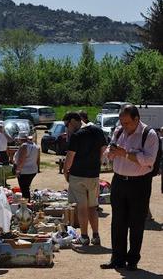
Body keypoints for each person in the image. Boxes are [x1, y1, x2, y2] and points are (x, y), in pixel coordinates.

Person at [101, 105, 159, 271]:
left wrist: (124, 153)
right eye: (122, 122)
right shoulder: (119, 131)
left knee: (136, 223)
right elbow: (109, 154)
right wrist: (110, 153)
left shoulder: (149, 135)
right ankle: (117, 259)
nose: (124, 126)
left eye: (127, 123)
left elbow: (149, 160)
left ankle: (132, 260)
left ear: (136, 119)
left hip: (139, 184)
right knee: (117, 222)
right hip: (119, 181)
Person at [62, 111, 107, 246]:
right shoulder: (98, 131)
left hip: (78, 175)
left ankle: (84, 236)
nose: (67, 128)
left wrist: (65, 172)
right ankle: (96, 236)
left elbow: (70, 158)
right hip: (93, 175)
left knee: (82, 207)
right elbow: (103, 150)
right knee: (93, 206)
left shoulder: (76, 135)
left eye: (67, 125)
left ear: (72, 121)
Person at [14, 132, 40, 202]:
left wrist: (18, 170)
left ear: (20, 139)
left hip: (24, 171)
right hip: (33, 170)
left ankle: (26, 206)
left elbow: (21, 160)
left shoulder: (24, 146)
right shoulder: (35, 146)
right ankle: (27, 204)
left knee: (24, 189)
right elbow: (37, 160)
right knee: (26, 188)